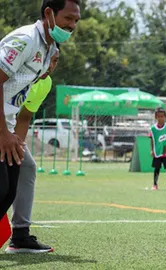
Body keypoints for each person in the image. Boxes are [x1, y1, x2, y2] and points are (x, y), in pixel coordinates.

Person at [0, 0, 80, 233]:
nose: (73, 25)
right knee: (2, 187)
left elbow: (22, 109)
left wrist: (13, 135)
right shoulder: (25, 39)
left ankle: (19, 235)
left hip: (7, 124)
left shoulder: (50, 49)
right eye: (68, 18)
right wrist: (4, 134)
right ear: (48, 13)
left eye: (76, 20)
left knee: (10, 189)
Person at [5, 47, 60, 254]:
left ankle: (20, 236)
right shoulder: (16, 71)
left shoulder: (44, 83)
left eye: (56, 61)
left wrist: (16, 146)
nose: (52, 66)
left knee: (26, 165)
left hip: (8, 130)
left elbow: (25, 116)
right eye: (49, 60)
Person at [149, 108, 166, 191]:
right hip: (157, 152)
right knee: (157, 168)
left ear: (165, 117)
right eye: (159, 116)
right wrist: (152, 150)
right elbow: (152, 140)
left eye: (162, 116)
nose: (161, 118)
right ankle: (155, 184)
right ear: (156, 117)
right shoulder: (153, 128)